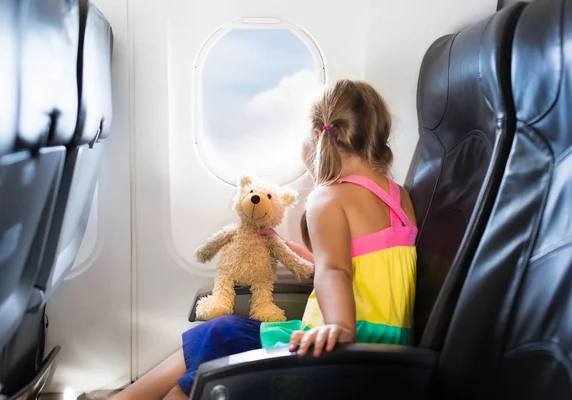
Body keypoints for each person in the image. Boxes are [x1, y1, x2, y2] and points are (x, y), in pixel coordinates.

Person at [112, 79, 418, 400]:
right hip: (387, 345)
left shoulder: (328, 199)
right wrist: (297, 255)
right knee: (221, 335)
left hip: (346, 348)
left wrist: (341, 327)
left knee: (218, 341)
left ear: (318, 136)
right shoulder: (398, 197)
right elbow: (365, 266)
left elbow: (336, 272)